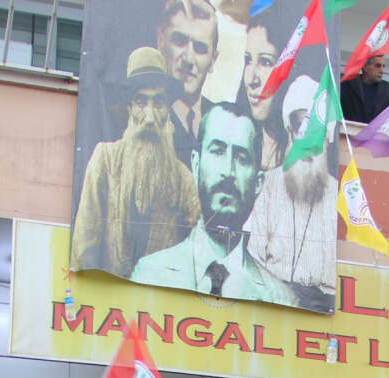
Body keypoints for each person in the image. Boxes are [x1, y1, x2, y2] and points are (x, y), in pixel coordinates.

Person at [131, 103, 294, 305]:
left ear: (258, 183)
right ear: (196, 164)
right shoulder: (149, 275)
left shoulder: (280, 299)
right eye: (217, 152)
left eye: (242, 158)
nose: (228, 171)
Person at [71, 47, 201, 279]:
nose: (149, 118)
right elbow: (84, 248)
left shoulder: (183, 180)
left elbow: (196, 253)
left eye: (158, 103)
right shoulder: (105, 160)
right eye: (141, 102)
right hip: (108, 295)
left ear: (167, 111)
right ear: (129, 108)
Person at [245, 75, 336, 309]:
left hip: (323, 309)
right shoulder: (269, 185)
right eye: (300, 125)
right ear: (290, 131)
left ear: (327, 137)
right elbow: (253, 260)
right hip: (273, 301)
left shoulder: (338, 195)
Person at [157, 0, 220, 161]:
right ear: (161, 41)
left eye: (200, 48)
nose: (188, 59)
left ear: (213, 60)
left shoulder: (222, 122)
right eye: (180, 41)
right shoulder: (143, 117)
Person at [236, 6, 290, 169]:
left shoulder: (302, 156)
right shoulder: (235, 140)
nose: (251, 79)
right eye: (247, 60)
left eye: (265, 62)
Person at [340, 53, 389, 124]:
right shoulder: (348, 84)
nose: (382, 71)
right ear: (365, 67)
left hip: (375, 130)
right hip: (350, 129)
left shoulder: (387, 89)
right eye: (377, 66)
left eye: (383, 66)